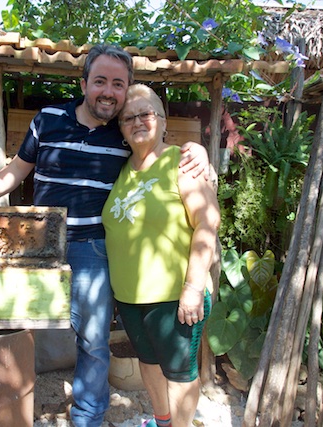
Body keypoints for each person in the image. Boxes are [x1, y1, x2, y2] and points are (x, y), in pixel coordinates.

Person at [0, 44, 209, 427]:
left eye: (118, 84)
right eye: (100, 81)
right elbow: (17, 169)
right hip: (37, 244)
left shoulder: (124, 130)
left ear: (126, 90)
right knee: (12, 323)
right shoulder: (49, 118)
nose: (108, 91)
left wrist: (199, 151)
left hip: (93, 249)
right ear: (84, 83)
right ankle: (2, 403)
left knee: (93, 341)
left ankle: (88, 415)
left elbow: (161, 147)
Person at [102, 84, 220, 427]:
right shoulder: (122, 171)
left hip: (175, 298)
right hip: (130, 298)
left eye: (146, 113)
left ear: (164, 121)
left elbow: (208, 222)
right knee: (149, 363)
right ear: (121, 129)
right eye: (128, 117)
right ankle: (162, 420)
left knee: (181, 373)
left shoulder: (181, 163)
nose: (137, 121)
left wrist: (194, 287)